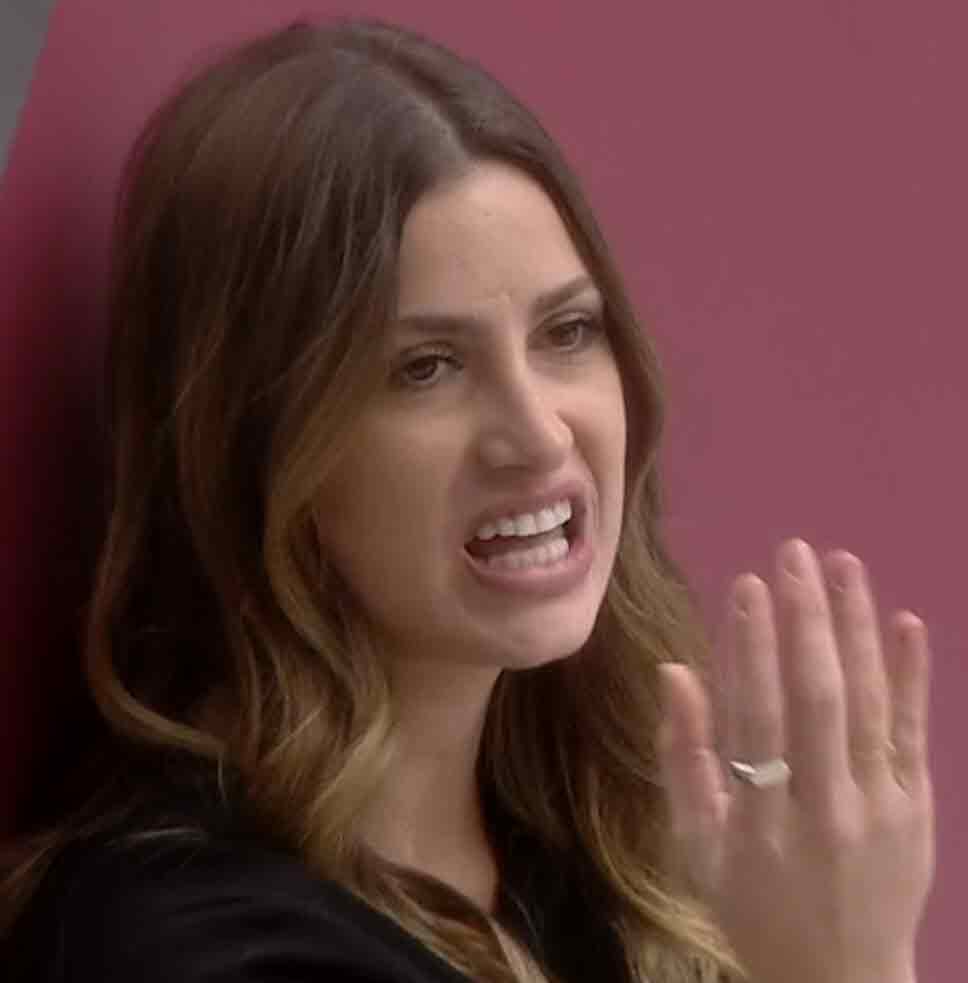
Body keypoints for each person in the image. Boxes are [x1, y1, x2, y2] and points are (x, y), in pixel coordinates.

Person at [0, 15, 935, 983]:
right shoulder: (188, 942)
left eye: (567, 332)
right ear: (256, 444)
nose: (539, 434)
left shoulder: (588, 860)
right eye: (426, 367)